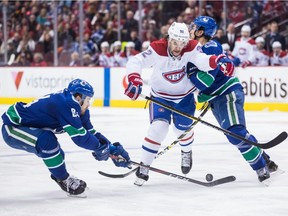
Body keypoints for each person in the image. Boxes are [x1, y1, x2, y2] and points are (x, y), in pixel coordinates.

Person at [124, 21, 232, 186]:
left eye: (182, 43)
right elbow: (135, 61)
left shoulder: (191, 47)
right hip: (160, 96)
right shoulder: (157, 48)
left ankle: (186, 151)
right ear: (169, 38)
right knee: (158, 128)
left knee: (182, 129)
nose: (178, 47)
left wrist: (217, 60)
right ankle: (144, 166)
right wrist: (134, 79)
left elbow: (203, 61)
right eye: (175, 42)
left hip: (185, 98)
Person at [187, 16, 278, 183]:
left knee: (235, 133)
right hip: (219, 97)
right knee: (237, 133)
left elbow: (209, 78)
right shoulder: (198, 49)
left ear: (201, 32)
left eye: (194, 27)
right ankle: (265, 160)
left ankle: (260, 167)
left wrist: (202, 94)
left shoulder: (210, 46)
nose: (190, 29)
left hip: (227, 94)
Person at [1, 79, 131, 196]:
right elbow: (80, 137)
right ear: (79, 97)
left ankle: (62, 177)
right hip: (13, 128)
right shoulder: (66, 103)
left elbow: (90, 132)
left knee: (56, 151)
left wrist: (111, 148)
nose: (89, 104)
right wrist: (100, 148)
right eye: (88, 100)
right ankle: (63, 179)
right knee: (47, 141)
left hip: (26, 126)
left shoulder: (79, 108)